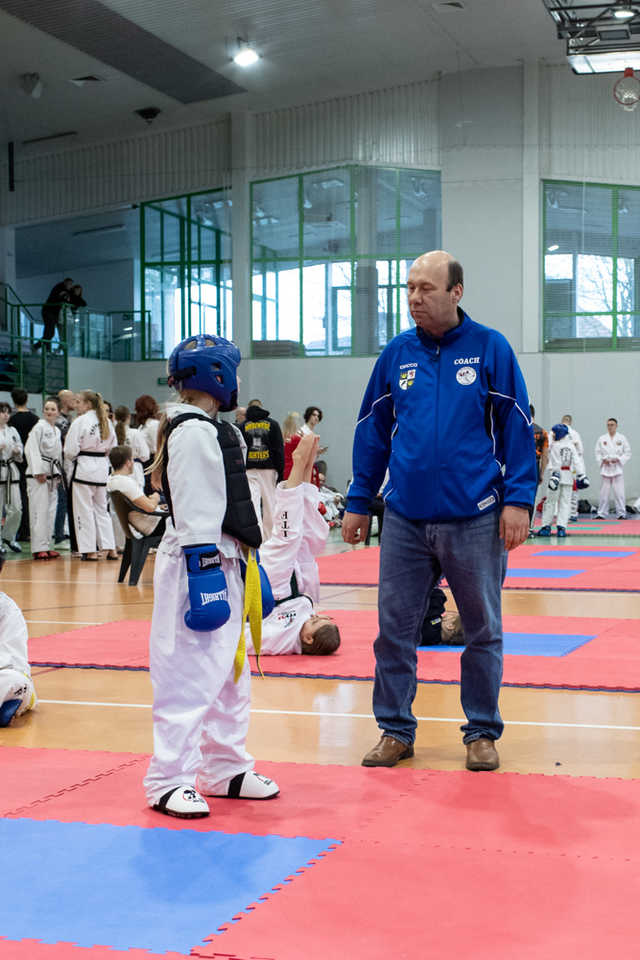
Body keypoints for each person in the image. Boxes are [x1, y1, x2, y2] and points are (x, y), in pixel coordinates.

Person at [342, 250, 537, 773]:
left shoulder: (489, 348)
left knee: (481, 628)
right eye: (409, 289)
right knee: (394, 630)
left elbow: (518, 428)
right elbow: (372, 432)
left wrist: (519, 500)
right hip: (404, 516)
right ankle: (394, 730)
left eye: (426, 289)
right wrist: (359, 500)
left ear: (456, 292)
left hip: (474, 514)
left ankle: (480, 731)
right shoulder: (396, 354)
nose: (414, 299)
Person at [143, 334, 279, 820]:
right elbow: (198, 507)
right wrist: (205, 574)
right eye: (234, 372)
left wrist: (251, 563)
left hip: (230, 556)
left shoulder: (217, 429)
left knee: (229, 673)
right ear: (216, 375)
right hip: (197, 562)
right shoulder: (193, 432)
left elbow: (235, 506)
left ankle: (225, 767)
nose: (239, 382)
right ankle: (168, 778)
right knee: (189, 672)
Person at [246, 431, 340, 656]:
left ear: (308, 637)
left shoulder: (281, 639)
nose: (318, 618)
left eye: (317, 623)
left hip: (274, 588)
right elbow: (315, 616)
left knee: (288, 536)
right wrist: (318, 617)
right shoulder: (306, 623)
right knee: (313, 534)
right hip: (299, 582)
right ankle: (308, 465)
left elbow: (248, 639)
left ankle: (298, 462)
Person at [64, 390, 117, 561]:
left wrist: (75, 458)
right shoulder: (107, 421)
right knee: (102, 510)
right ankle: (110, 548)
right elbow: (113, 447)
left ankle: (90, 550)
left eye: (79, 402)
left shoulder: (80, 421)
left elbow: (70, 450)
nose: (76, 405)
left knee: (84, 511)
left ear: (88, 404)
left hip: (84, 469)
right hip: (102, 469)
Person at [0, 552, 36, 726]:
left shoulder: (6, 609)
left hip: (4, 674)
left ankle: (10, 704)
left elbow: (13, 662)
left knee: (14, 681)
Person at [25, 397, 63, 560]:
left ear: (58, 412)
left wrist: (59, 473)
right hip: (38, 475)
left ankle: (47, 545)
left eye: (53, 409)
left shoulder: (57, 430)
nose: (49, 411)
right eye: (47, 408)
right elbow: (30, 449)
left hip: (52, 473)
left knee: (50, 511)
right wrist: (38, 471)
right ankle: (38, 547)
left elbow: (57, 454)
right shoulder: (38, 427)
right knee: (39, 511)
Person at [240, 398, 285, 540]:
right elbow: (278, 449)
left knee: (252, 503)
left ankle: (255, 537)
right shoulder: (273, 424)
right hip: (268, 468)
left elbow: (239, 450)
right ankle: (269, 538)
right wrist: (281, 470)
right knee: (270, 504)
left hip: (249, 468)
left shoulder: (242, 426)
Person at [536, 423, 589, 538]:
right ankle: (561, 528)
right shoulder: (571, 446)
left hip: (556, 475)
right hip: (568, 477)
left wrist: (554, 473)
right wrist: (582, 475)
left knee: (550, 502)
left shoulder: (555, 446)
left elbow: (553, 462)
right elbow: (577, 462)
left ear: (559, 433)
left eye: (554, 433)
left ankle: (546, 527)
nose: (553, 435)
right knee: (565, 503)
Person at [106, 445, 165, 536]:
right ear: (128, 462)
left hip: (139, 521)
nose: (133, 463)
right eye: (132, 460)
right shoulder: (126, 483)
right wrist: (156, 498)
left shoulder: (111, 480)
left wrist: (157, 506)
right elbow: (150, 507)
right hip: (151, 526)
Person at [8, 388, 39, 543]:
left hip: (17, 462)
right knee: (30, 496)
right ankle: (28, 531)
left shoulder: (11, 421)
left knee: (19, 498)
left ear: (13, 401)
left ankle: (22, 530)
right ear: (27, 399)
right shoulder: (35, 419)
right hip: (31, 461)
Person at [595, 417, 631, 519]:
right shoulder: (602, 438)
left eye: (612, 425)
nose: (610, 427)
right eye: (608, 425)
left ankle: (621, 514)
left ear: (616, 426)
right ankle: (601, 513)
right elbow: (597, 453)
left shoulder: (622, 438)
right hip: (605, 468)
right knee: (603, 493)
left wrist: (619, 459)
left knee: (619, 493)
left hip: (617, 468)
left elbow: (628, 453)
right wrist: (602, 460)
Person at [0, 402, 24, 554]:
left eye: (8, 412)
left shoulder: (13, 430)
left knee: (17, 509)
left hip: (11, 472)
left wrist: (17, 451)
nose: (6, 415)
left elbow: (20, 446)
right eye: (2, 412)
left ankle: (8, 536)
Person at [53, 389, 77, 544]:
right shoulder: (59, 420)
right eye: (72, 398)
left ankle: (64, 531)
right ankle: (59, 534)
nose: (75, 401)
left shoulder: (70, 418)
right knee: (61, 500)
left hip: (70, 464)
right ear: (64, 401)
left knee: (66, 500)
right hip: (60, 465)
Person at [114, 406, 150, 489]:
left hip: (116, 470)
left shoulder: (112, 433)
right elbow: (145, 455)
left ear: (115, 417)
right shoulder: (135, 433)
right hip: (134, 470)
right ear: (129, 417)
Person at [37, 277, 73, 349]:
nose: (70, 286)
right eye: (69, 284)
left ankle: (42, 347)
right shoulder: (59, 288)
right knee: (49, 333)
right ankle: (40, 347)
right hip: (49, 311)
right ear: (65, 283)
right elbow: (58, 298)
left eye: (71, 284)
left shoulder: (64, 290)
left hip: (53, 312)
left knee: (50, 333)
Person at [561, 414, 583, 522]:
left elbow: (580, 452)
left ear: (570, 422)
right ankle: (564, 513)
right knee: (562, 492)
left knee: (573, 490)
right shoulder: (556, 433)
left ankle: (573, 513)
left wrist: (580, 470)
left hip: (571, 466)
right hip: (560, 467)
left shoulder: (574, 434)